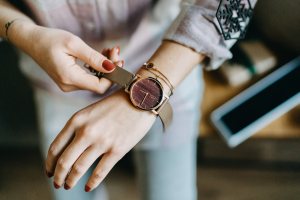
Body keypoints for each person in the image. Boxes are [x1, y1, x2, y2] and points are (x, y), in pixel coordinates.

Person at [0, 0, 257, 199]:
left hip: (171, 69)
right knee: (67, 188)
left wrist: (152, 86)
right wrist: (25, 33)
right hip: (55, 85)